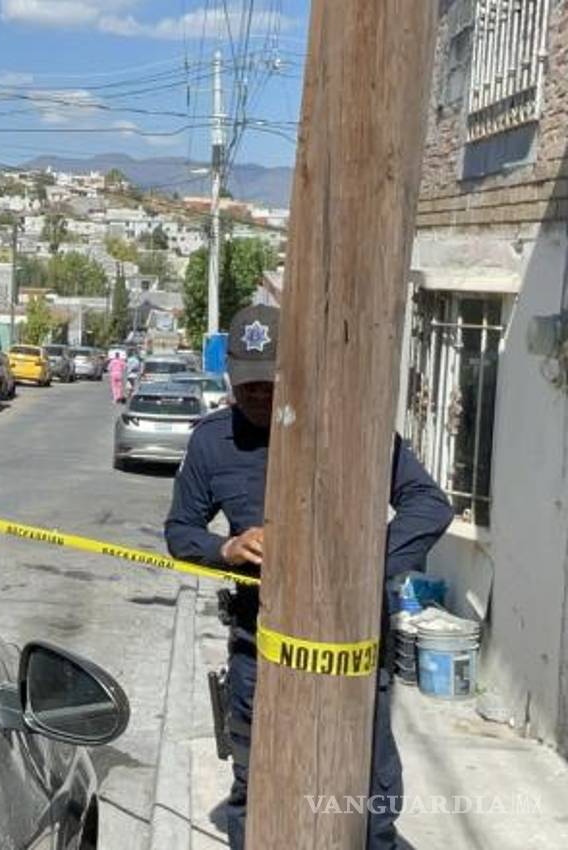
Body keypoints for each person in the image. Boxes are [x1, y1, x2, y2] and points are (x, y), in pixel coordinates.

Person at [164, 304, 453, 850]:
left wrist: (359, 570)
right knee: (260, 790)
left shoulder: (349, 430)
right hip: (260, 648)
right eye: (246, 385)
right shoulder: (211, 442)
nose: (257, 397)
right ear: (230, 376)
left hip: (354, 644)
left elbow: (428, 505)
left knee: (366, 798)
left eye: (269, 383)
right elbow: (180, 531)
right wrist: (224, 548)